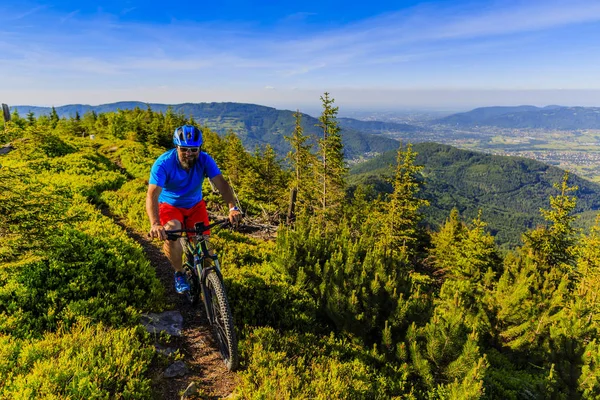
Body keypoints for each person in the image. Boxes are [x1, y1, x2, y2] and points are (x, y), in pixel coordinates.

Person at [146, 125, 242, 293]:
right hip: (170, 205)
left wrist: (232, 207)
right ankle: (179, 273)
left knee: (205, 247)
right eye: (184, 149)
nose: (188, 153)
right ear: (176, 147)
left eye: (193, 149)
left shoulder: (205, 160)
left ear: (200, 148)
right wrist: (155, 224)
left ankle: (210, 284)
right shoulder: (163, 164)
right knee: (172, 232)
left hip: (195, 205)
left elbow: (222, 185)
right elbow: (152, 195)